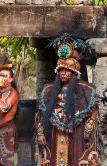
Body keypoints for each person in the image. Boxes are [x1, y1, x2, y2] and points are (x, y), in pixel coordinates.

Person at [36, 34, 99, 166]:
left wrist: (89, 126)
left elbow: (93, 110)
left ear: (74, 72)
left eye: (67, 70)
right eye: (61, 70)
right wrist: (40, 132)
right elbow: (41, 114)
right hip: (53, 135)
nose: (63, 73)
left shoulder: (86, 90)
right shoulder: (48, 90)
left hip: (78, 135)